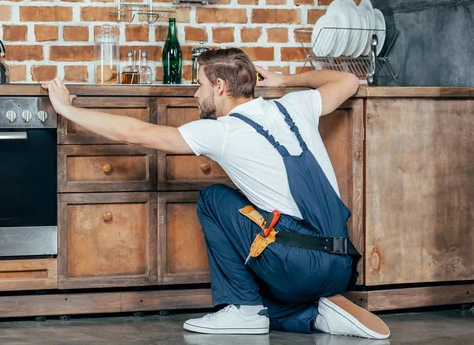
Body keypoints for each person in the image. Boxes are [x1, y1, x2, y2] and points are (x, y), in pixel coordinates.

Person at [41, 48, 390, 340]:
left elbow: (136, 133)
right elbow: (348, 80)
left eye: (199, 85)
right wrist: (285, 81)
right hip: (342, 264)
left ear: (220, 87)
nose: (195, 94)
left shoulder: (222, 131)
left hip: (299, 268)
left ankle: (243, 308)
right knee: (269, 249)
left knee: (214, 199)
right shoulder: (295, 106)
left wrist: (68, 109)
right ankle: (318, 316)